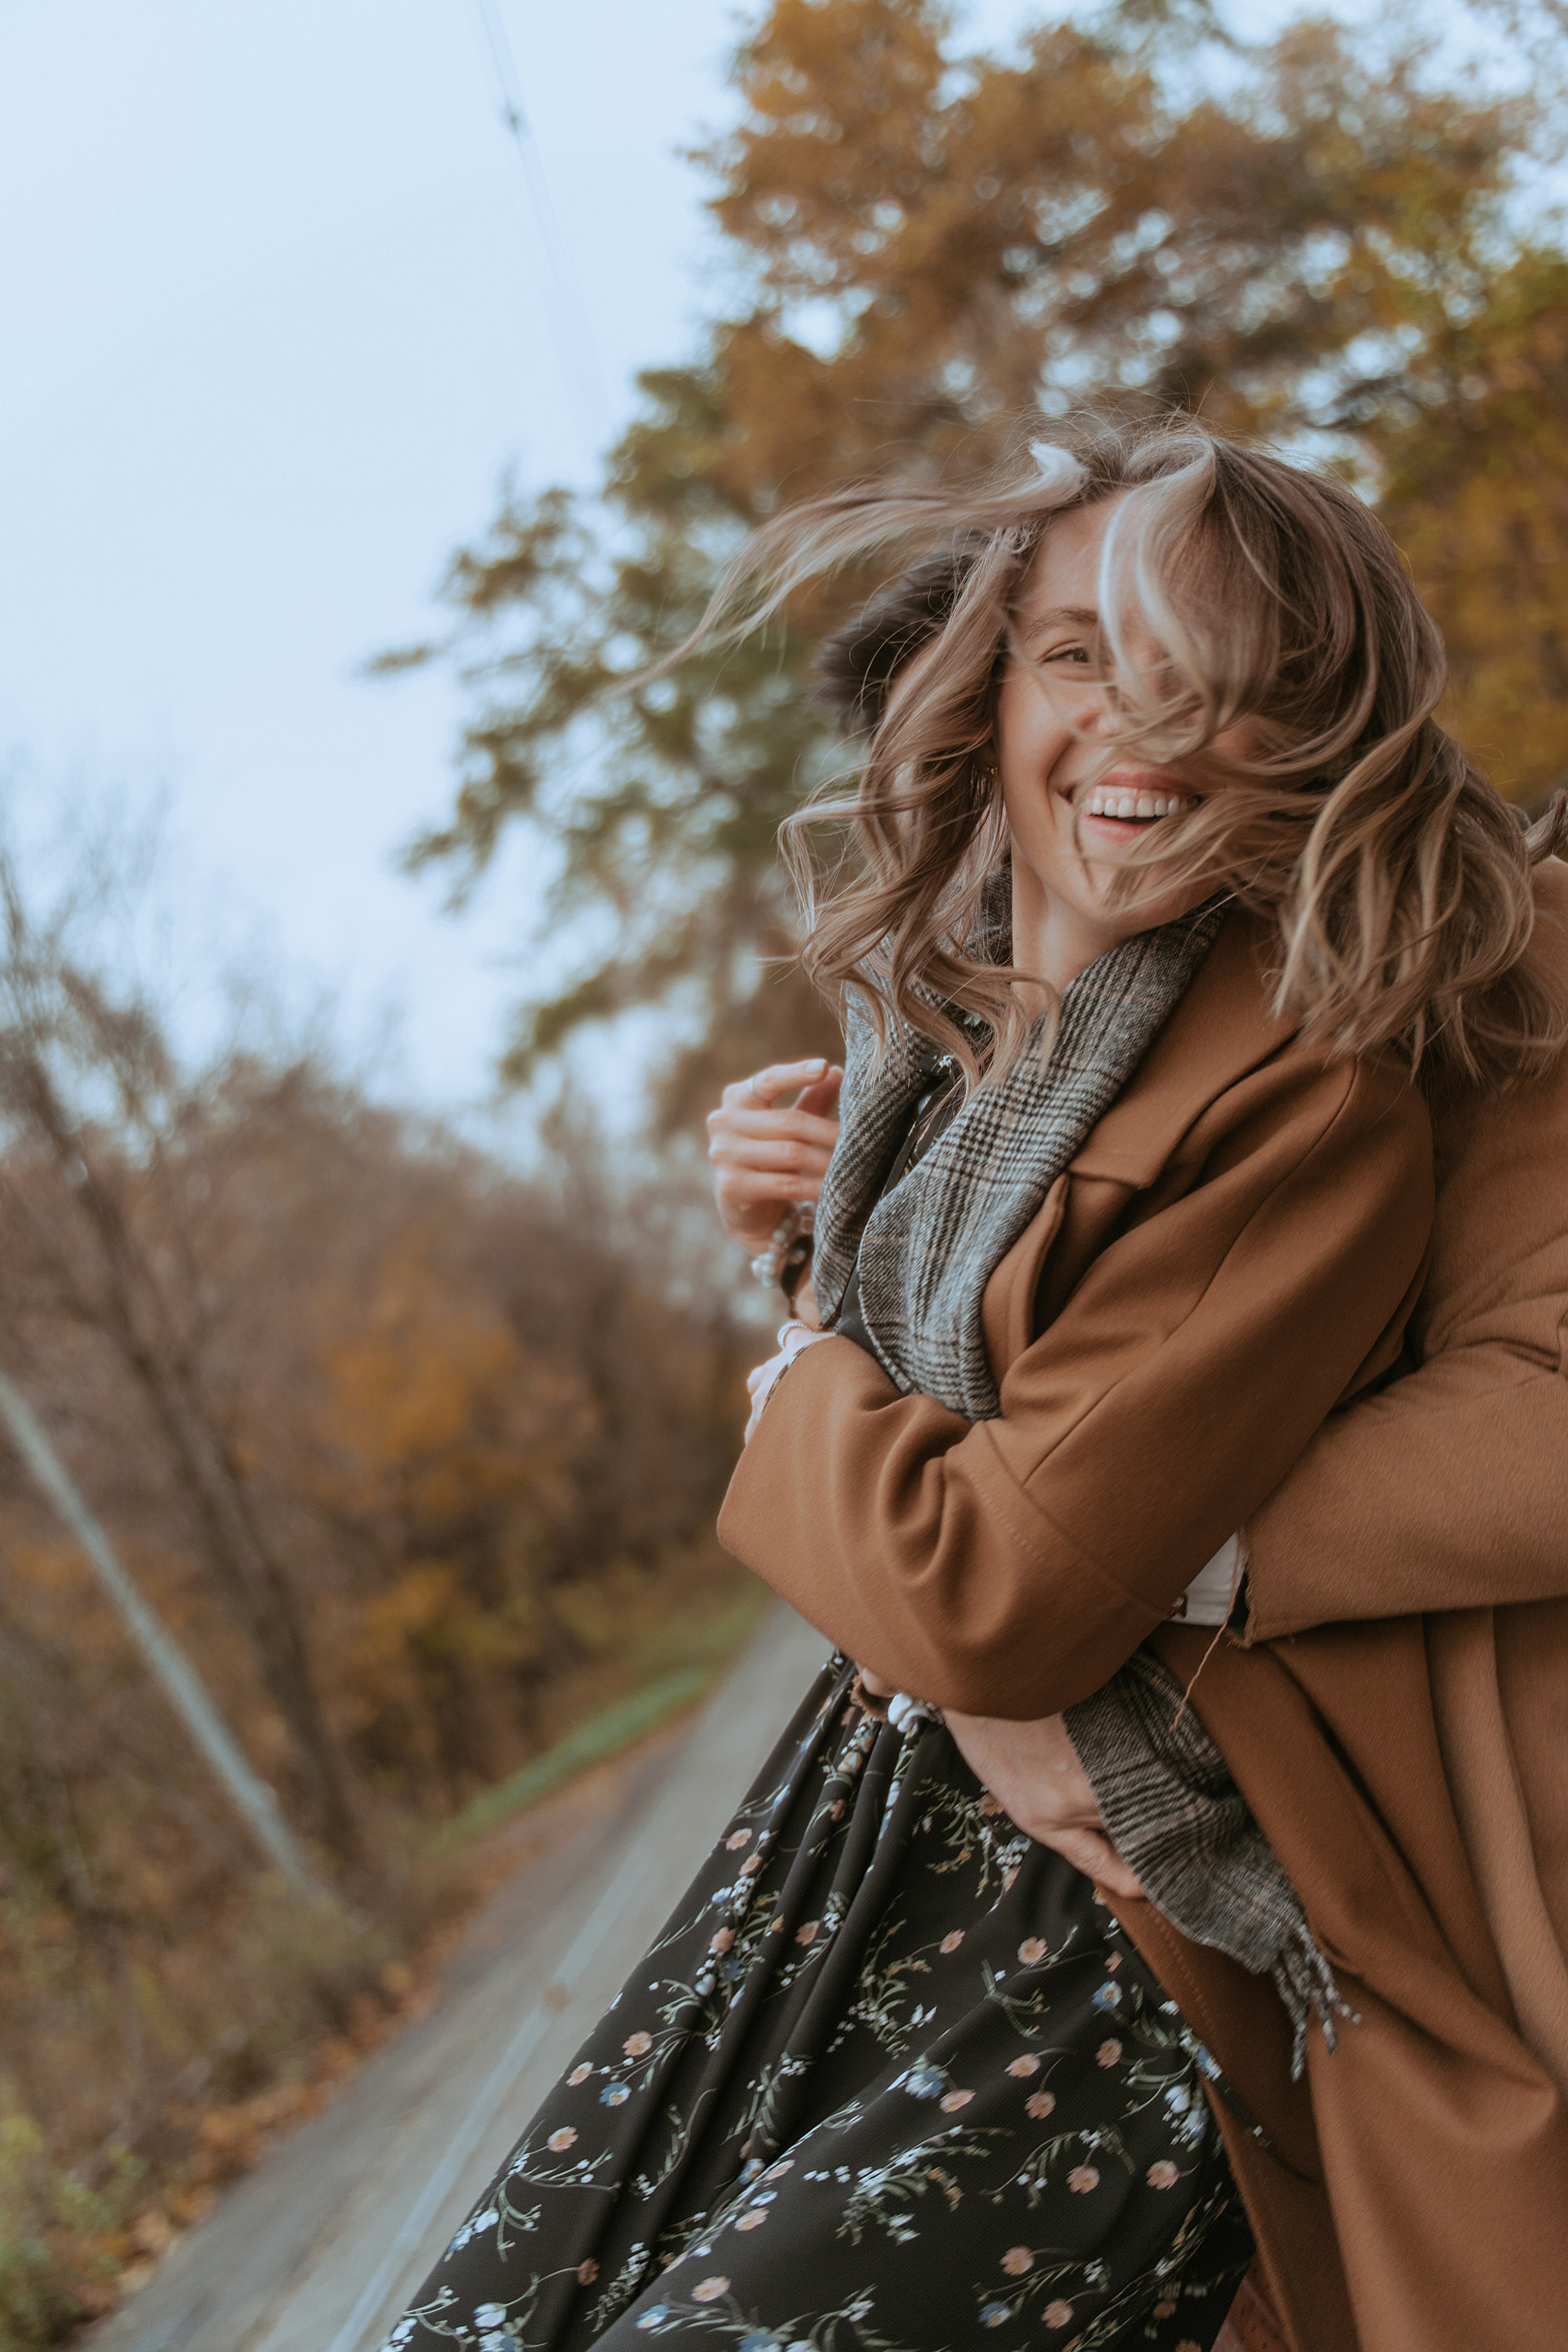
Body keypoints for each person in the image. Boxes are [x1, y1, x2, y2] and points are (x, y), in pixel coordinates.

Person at [377, 419, 1564, 2352]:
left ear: (1316, 717)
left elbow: (1015, 1557)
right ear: (990, 675)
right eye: (1081, 651)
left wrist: (1106, 1581)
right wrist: (805, 1256)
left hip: (1156, 1882)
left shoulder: (1343, 1035)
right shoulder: (973, 1013)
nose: (1141, 720)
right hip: (878, 1817)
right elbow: (997, 1403)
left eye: (1221, 672)